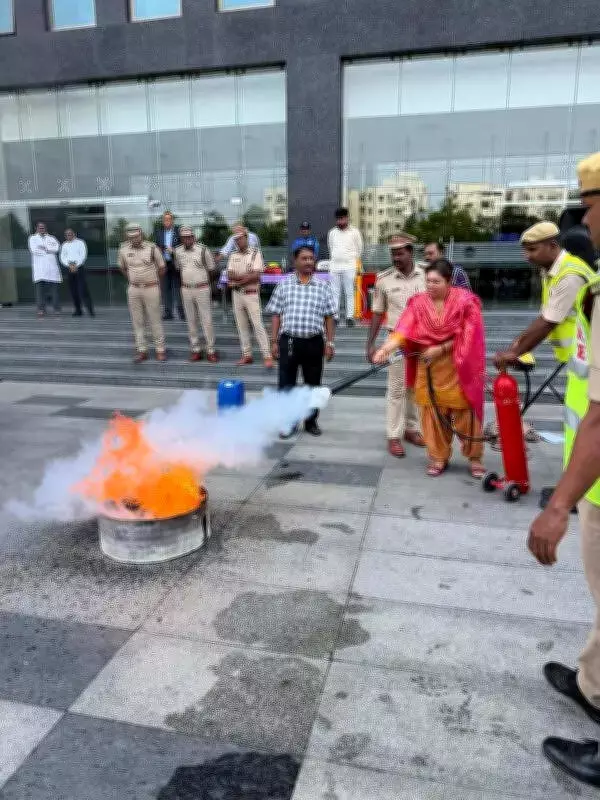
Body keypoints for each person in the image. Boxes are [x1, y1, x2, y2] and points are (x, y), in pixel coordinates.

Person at [527, 152, 600, 788]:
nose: (590, 222)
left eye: (593, 208)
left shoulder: (576, 273)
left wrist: (558, 504)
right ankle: (592, 685)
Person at [374, 259, 486, 478]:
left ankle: (474, 457)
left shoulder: (466, 302)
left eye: (436, 281)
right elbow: (403, 329)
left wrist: (441, 348)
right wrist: (385, 349)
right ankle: (438, 456)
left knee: (466, 416)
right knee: (431, 416)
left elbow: (469, 337)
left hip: (457, 369)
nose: (430, 285)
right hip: (428, 368)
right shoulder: (418, 303)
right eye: (428, 281)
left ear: (448, 282)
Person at [494, 221, 596, 454]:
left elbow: (548, 323)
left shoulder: (570, 274)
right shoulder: (551, 272)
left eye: (532, 250)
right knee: (577, 423)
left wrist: (514, 352)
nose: (526, 256)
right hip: (581, 362)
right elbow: (545, 316)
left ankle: (582, 486)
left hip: (591, 363)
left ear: (552, 245)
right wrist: (517, 347)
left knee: (583, 426)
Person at [266, 245, 336, 437]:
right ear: (295, 261)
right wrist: (273, 341)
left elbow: (330, 316)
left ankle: (311, 421)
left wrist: (330, 343)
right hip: (289, 342)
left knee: (313, 385)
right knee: (286, 385)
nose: (308, 262)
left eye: (311, 259)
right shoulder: (284, 284)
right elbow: (276, 314)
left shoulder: (323, 286)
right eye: (304, 258)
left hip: (314, 343)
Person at [366, 233, 426, 458]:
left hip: (422, 341)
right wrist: (370, 344)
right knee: (397, 388)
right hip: (396, 342)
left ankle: (412, 429)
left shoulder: (427, 275)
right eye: (393, 253)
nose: (396, 258)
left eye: (400, 253)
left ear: (411, 252)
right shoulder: (384, 279)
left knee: (415, 387)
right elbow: (378, 313)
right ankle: (393, 435)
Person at [118, 224, 167, 363]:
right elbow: (122, 267)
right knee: (137, 321)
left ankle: (160, 350)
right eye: (132, 237)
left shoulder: (152, 248)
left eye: (137, 236)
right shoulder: (123, 249)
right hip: (134, 289)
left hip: (151, 288)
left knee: (155, 320)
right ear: (128, 237)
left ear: (142, 234)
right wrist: (133, 279)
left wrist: (153, 280)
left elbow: (162, 267)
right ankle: (142, 350)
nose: (135, 239)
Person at [226, 226, 273, 368]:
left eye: (240, 239)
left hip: (251, 294)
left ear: (246, 238)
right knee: (241, 326)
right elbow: (230, 274)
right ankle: (247, 355)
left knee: (258, 325)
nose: (238, 242)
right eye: (236, 240)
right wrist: (246, 276)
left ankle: (267, 355)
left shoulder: (255, 253)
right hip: (237, 295)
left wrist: (239, 281)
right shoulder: (233, 255)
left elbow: (256, 275)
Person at [174, 226, 218, 363]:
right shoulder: (177, 251)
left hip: (202, 288)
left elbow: (212, 270)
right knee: (191, 321)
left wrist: (204, 283)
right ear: (181, 238)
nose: (187, 239)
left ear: (194, 237)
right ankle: (196, 349)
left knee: (207, 320)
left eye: (190, 236)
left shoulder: (203, 249)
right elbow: (178, 268)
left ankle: (210, 350)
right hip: (186, 289)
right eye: (185, 237)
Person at [327, 206, 363, 327]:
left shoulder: (355, 232)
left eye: (342, 219)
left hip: (349, 265)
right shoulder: (332, 233)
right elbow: (330, 247)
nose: (340, 222)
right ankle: (335, 317)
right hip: (335, 266)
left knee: (349, 292)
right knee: (334, 292)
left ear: (347, 218)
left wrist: (351, 259)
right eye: (338, 219)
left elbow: (360, 249)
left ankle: (349, 317)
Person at [28, 222, 62, 317]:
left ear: (45, 228)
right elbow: (34, 250)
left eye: (43, 227)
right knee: (40, 291)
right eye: (40, 227)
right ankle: (41, 309)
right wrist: (48, 250)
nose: (42, 229)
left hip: (52, 268)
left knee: (54, 290)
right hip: (40, 269)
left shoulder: (52, 238)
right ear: (36, 228)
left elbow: (57, 248)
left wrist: (45, 248)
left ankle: (56, 309)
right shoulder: (32, 238)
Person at [154, 211, 183, 321]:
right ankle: (168, 312)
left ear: (172, 220)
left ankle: (181, 312)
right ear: (163, 221)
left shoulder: (178, 232)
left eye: (169, 219)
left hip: (175, 263)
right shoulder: (159, 232)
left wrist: (174, 250)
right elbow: (156, 247)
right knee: (165, 289)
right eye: (165, 219)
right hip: (164, 263)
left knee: (178, 288)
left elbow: (182, 247)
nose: (167, 221)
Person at [60, 228, 94, 317]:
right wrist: (69, 265)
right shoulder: (64, 245)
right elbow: (62, 257)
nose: (69, 236)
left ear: (74, 234)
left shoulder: (80, 242)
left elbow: (83, 255)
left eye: (70, 234)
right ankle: (78, 310)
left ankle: (90, 310)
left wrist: (75, 265)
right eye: (67, 234)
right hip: (69, 269)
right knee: (73, 291)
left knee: (83, 290)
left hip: (79, 268)